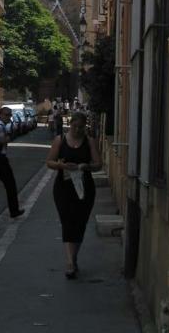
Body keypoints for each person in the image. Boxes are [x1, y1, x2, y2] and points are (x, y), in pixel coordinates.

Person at [46, 110, 101, 279]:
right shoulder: (60, 140)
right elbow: (49, 162)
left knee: (80, 223)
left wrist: (86, 166)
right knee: (68, 222)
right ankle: (70, 263)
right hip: (64, 187)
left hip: (84, 188)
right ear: (70, 125)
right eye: (75, 127)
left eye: (81, 127)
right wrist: (62, 166)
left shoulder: (89, 141)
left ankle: (74, 258)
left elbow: (98, 164)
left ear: (85, 127)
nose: (77, 130)